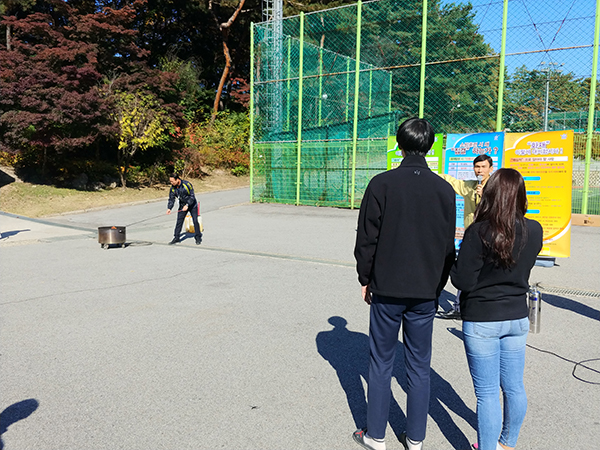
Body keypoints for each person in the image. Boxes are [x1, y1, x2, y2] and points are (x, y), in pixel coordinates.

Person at [353, 118, 456, 450]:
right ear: (430, 146)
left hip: (386, 288)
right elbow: (448, 247)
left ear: (399, 144)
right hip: (425, 291)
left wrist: (366, 278)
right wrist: (437, 287)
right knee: (419, 366)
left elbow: (366, 239)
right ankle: (415, 438)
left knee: (381, 363)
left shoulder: (381, 184)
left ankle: (376, 435)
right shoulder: (444, 190)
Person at [450, 168, 543, 450]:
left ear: (490, 195)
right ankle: (507, 443)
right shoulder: (534, 229)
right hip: (517, 316)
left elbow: (462, 280)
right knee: (514, 386)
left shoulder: (479, 231)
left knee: (487, 393)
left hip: (482, 318)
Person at [437, 154, 494, 319]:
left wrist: (485, 196)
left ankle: (486, 308)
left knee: (488, 273)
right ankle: (458, 308)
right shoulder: (470, 186)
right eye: (477, 167)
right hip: (472, 237)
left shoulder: (496, 187)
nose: (480, 170)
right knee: (465, 271)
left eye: (483, 167)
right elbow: (453, 182)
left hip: (491, 236)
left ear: (490, 168)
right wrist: (429, 173)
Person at [166, 173, 203, 245]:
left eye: (172, 181)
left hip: (192, 205)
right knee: (179, 221)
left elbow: (192, 196)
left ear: (177, 179)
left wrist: (187, 205)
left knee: (195, 221)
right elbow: (171, 199)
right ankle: (176, 237)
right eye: (170, 181)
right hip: (182, 206)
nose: (171, 183)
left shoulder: (187, 185)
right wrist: (169, 208)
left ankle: (198, 237)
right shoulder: (173, 188)